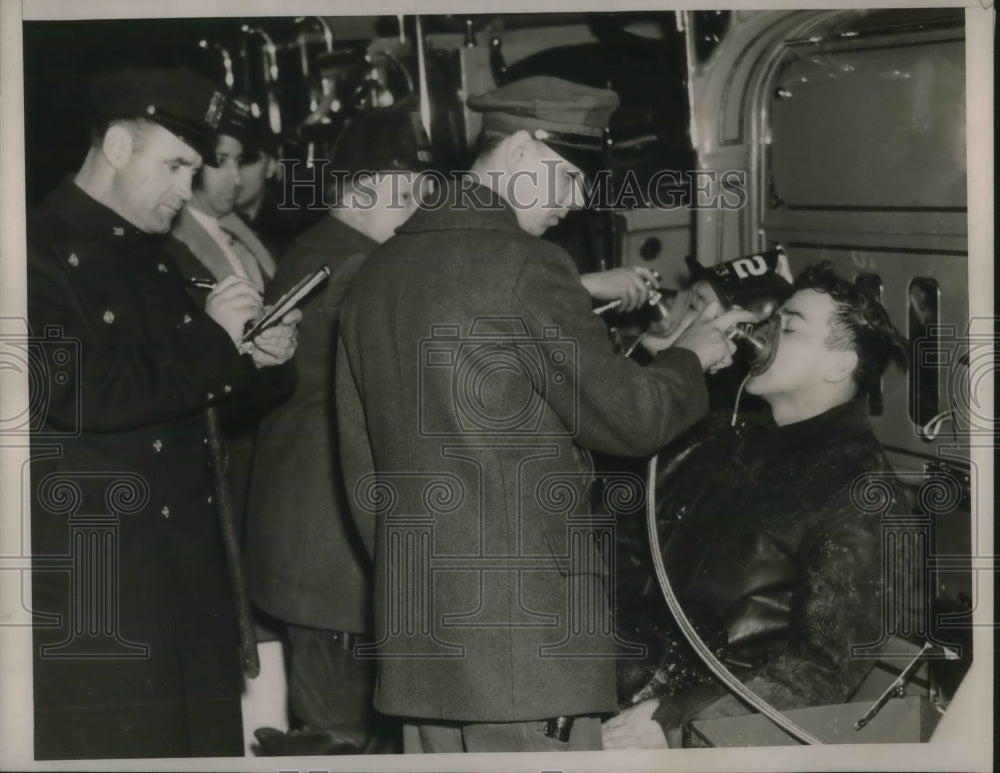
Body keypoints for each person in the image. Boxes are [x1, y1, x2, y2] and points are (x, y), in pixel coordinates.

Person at [334, 75, 754, 753]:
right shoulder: (527, 265)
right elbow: (633, 420)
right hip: (527, 654)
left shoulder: (376, 274)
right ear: (523, 148)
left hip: (421, 639)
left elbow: (362, 479)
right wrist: (690, 358)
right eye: (571, 173)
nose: (579, 197)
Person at [26, 67, 300, 760]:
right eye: (175, 165)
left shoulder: (154, 258)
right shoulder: (29, 253)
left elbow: (196, 397)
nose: (188, 190)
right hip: (104, 587)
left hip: (190, 575)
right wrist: (213, 340)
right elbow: (79, 392)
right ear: (118, 144)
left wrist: (258, 360)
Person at [603, 261, 910, 749]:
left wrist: (674, 722)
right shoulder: (715, 435)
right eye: (772, 320)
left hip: (687, 728)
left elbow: (821, 671)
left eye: (788, 328)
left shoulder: (864, 495)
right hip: (607, 681)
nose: (763, 335)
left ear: (840, 365)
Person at [244, 97, 435, 755]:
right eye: (407, 190)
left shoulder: (322, 250)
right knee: (340, 743)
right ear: (361, 188)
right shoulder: (349, 266)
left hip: (320, 555)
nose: (418, 206)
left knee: (348, 739)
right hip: (326, 560)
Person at [233, 114, 299, 260]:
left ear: (271, 166)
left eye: (245, 161)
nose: (234, 174)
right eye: (221, 160)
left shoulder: (291, 238)